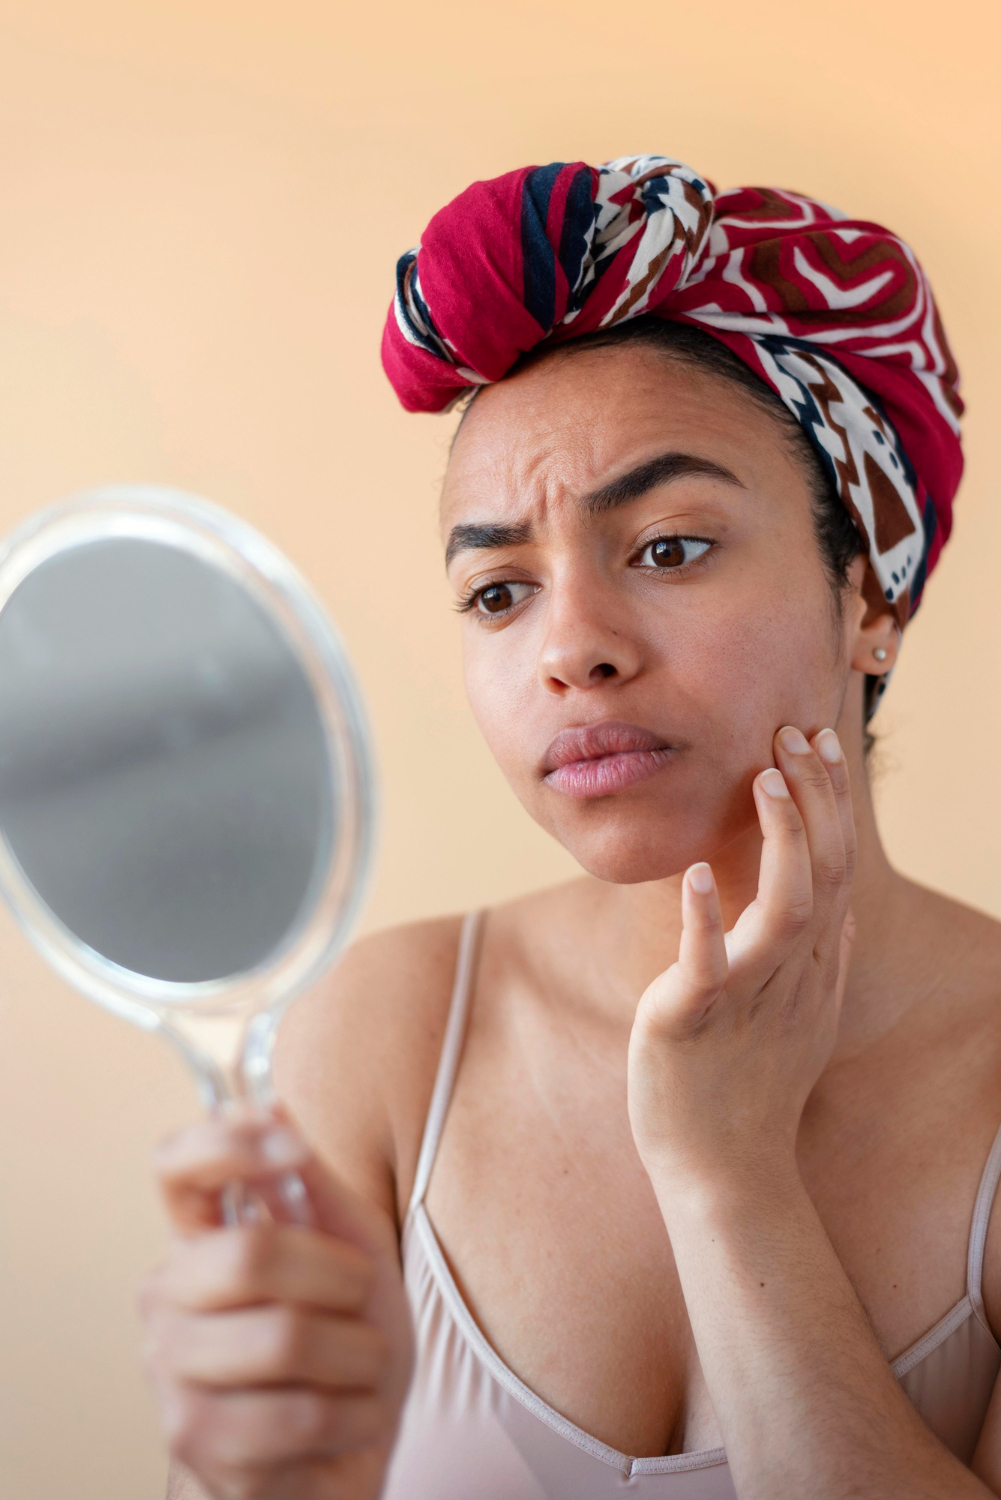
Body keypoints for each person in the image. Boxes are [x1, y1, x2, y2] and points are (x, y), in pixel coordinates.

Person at [142, 157, 1001, 1499]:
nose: (571, 650)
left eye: (667, 546)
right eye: (497, 593)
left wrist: (726, 1177)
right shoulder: (388, 1035)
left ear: (866, 588)